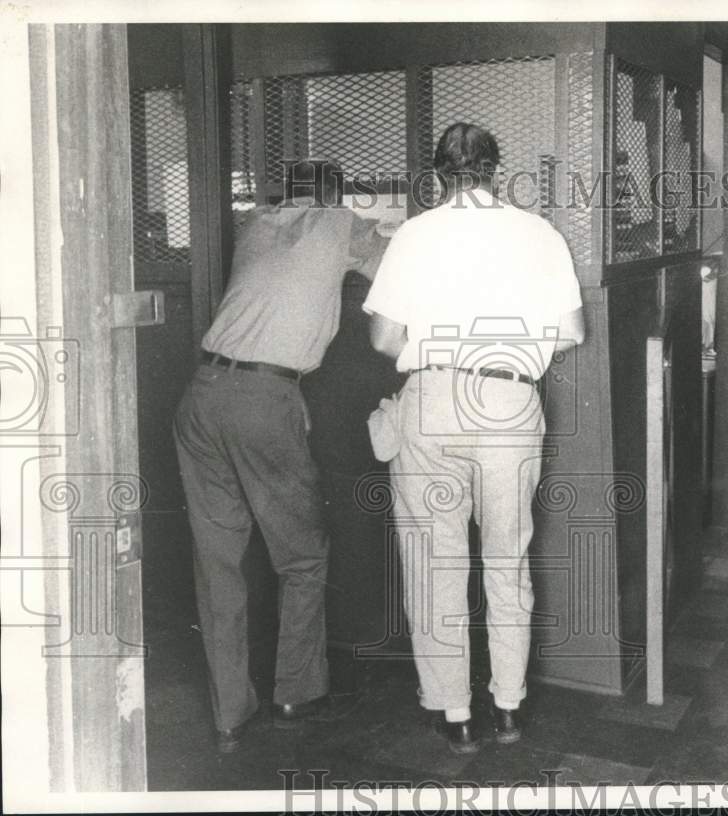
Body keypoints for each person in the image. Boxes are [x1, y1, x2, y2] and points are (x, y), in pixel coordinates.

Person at [363, 123, 584, 754]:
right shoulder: (539, 232)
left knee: (436, 563)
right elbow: (571, 331)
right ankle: (509, 706)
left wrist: (440, 349)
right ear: (494, 171)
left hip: (434, 400)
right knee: (507, 561)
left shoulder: (414, 234)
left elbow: (383, 339)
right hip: (511, 403)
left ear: (438, 175)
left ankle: (455, 712)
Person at [173, 161, 390, 753]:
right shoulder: (341, 222)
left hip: (203, 394)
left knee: (218, 562)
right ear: (335, 196)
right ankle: (298, 691)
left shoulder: (254, 223)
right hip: (265, 399)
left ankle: (229, 715)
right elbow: (395, 270)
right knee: (302, 556)